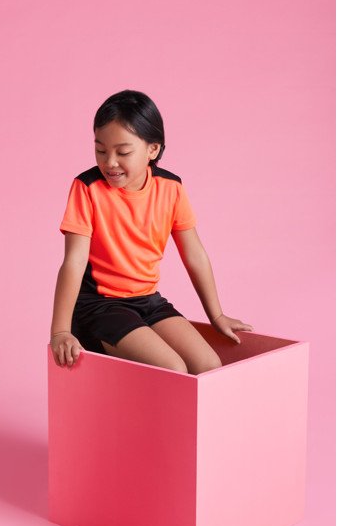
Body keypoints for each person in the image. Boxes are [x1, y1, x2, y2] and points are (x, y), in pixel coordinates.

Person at [50, 89, 252, 373]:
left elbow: (194, 254)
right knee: (172, 368)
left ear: (152, 150)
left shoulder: (171, 188)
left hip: (148, 301)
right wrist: (60, 331)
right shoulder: (87, 188)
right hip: (99, 305)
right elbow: (74, 260)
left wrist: (216, 315)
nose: (110, 162)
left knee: (209, 364)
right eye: (100, 150)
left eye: (123, 152)